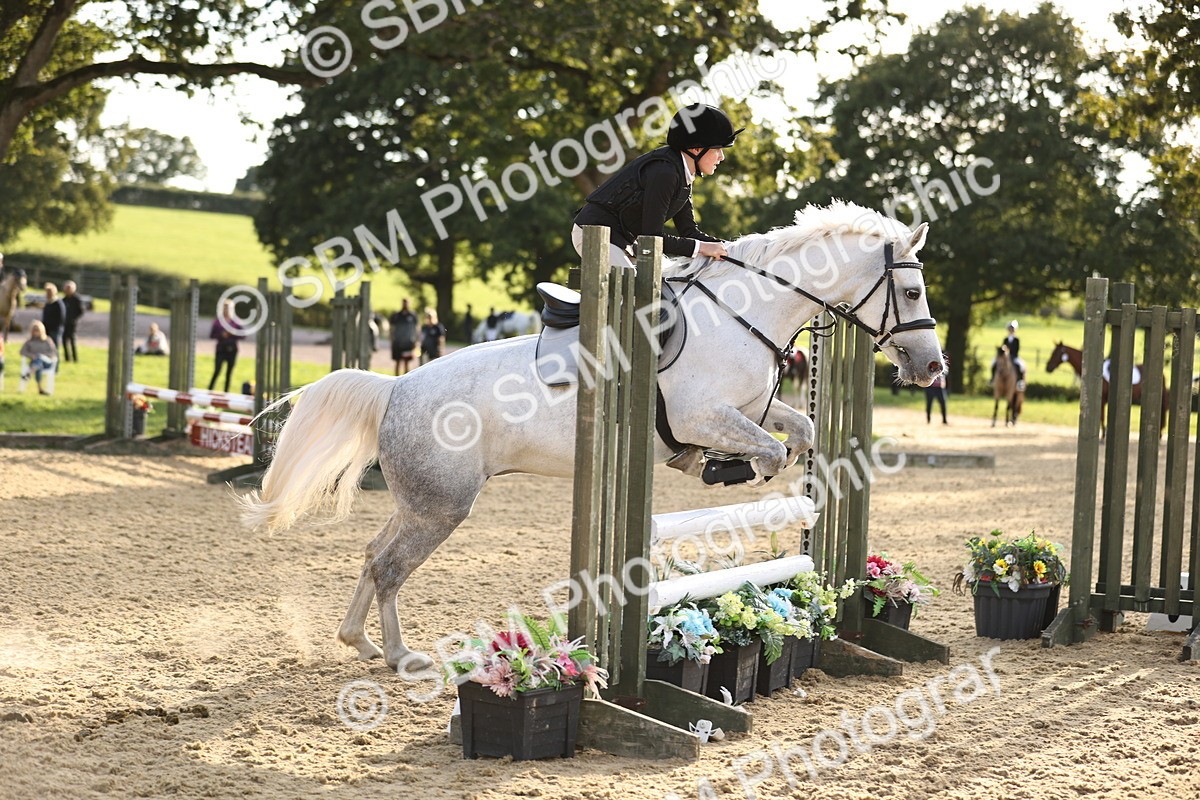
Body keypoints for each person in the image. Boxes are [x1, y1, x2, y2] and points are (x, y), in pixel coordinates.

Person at [572, 103, 740, 267]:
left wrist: (730, 248)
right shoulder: (665, 173)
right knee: (633, 289)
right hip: (596, 234)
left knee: (666, 285)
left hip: (623, 241)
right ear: (696, 148)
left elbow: (689, 232)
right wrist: (702, 248)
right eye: (718, 149)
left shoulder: (682, 174)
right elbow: (651, 238)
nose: (722, 157)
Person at [208, 302, 243, 392]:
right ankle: (209, 391)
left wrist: (233, 333)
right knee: (217, 371)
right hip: (221, 349)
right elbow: (212, 335)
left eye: (228, 308)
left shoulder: (236, 322)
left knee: (229, 374)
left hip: (232, 350)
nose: (226, 310)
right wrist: (221, 335)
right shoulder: (218, 321)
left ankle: (226, 393)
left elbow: (242, 335)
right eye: (224, 308)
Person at [19, 320, 58, 395]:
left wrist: (42, 355)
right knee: (38, 365)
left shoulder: (47, 340)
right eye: (34, 330)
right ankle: (40, 389)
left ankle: (28, 374)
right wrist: (31, 355)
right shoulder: (29, 342)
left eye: (37, 330)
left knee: (39, 358)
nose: (35, 332)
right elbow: (22, 351)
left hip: (47, 362)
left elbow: (53, 352)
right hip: (36, 363)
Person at [991, 320, 1025, 386]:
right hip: (1005, 357)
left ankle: (1019, 381)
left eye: (1012, 329)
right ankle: (992, 378)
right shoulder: (1005, 339)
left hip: (1014, 356)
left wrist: (1010, 353)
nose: (1011, 330)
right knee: (995, 364)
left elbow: (1017, 349)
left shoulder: (1016, 340)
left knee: (1019, 365)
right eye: (1010, 328)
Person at [41, 283, 66, 371]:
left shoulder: (58, 303)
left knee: (54, 348)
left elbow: (61, 318)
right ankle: (46, 366)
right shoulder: (47, 303)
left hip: (55, 330)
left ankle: (55, 368)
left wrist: (53, 328)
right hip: (46, 330)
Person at [389, 299, 418, 375]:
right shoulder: (396, 316)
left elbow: (416, 328)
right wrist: (392, 339)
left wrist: (415, 340)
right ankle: (396, 378)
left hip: (408, 342)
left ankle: (406, 379)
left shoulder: (412, 316)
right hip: (398, 342)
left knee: (407, 362)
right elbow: (392, 328)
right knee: (397, 362)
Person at [61, 280, 84, 363]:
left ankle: (75, 358)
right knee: (64, 340)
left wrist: (74, 318)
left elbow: (81, 311)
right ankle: (67, 358)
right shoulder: (63, 300)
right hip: (64, 323)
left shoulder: (77, 299)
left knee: (72, 340)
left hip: (72, 323)